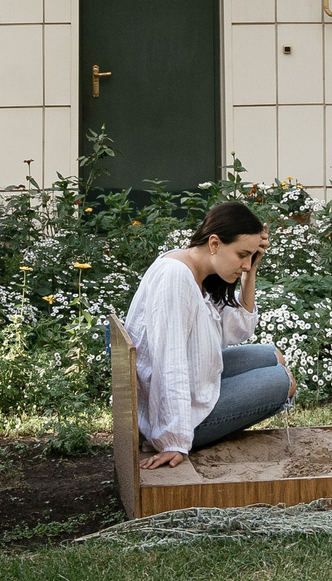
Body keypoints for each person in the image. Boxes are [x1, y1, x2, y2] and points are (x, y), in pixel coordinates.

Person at [124, 201, 296, 469]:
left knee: (273, 356)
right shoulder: (175, 276)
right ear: (214, 243)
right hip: (177, 416)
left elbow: (237, 329)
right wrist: (174, 441)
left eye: (252, 256)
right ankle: (180, 433)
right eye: (242, 255)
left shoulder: (198, 270)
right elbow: (170, 361)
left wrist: (250, 273)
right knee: (283, 381)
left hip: (198, 380)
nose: (247, 264)